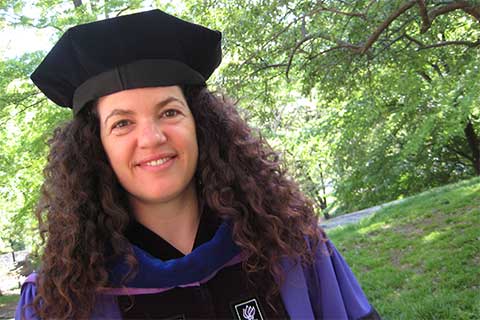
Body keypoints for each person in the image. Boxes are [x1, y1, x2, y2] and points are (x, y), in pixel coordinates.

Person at [15, 9, 381, 320]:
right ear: (96, 147)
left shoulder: (292, 247)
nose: (152, 138)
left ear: (200, 126)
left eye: (169, 111)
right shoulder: (61, 300)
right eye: (122, 123)